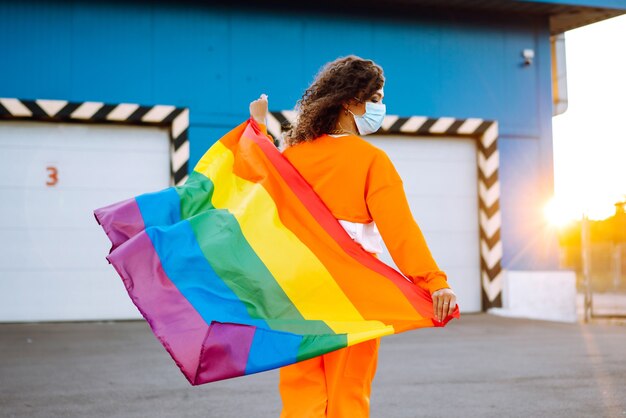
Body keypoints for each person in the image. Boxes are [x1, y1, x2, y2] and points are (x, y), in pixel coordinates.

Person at [249, 55, 457, 418]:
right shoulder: (370, 160)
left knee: (302, 395)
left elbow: (256, 194)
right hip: (351, 293)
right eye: (375, 98)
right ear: (349, 101)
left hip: (296, 292)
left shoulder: (292, 156)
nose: (380, 107)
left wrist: (257, 129)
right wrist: (434, 281)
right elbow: (400, 230)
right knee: (348, 392)